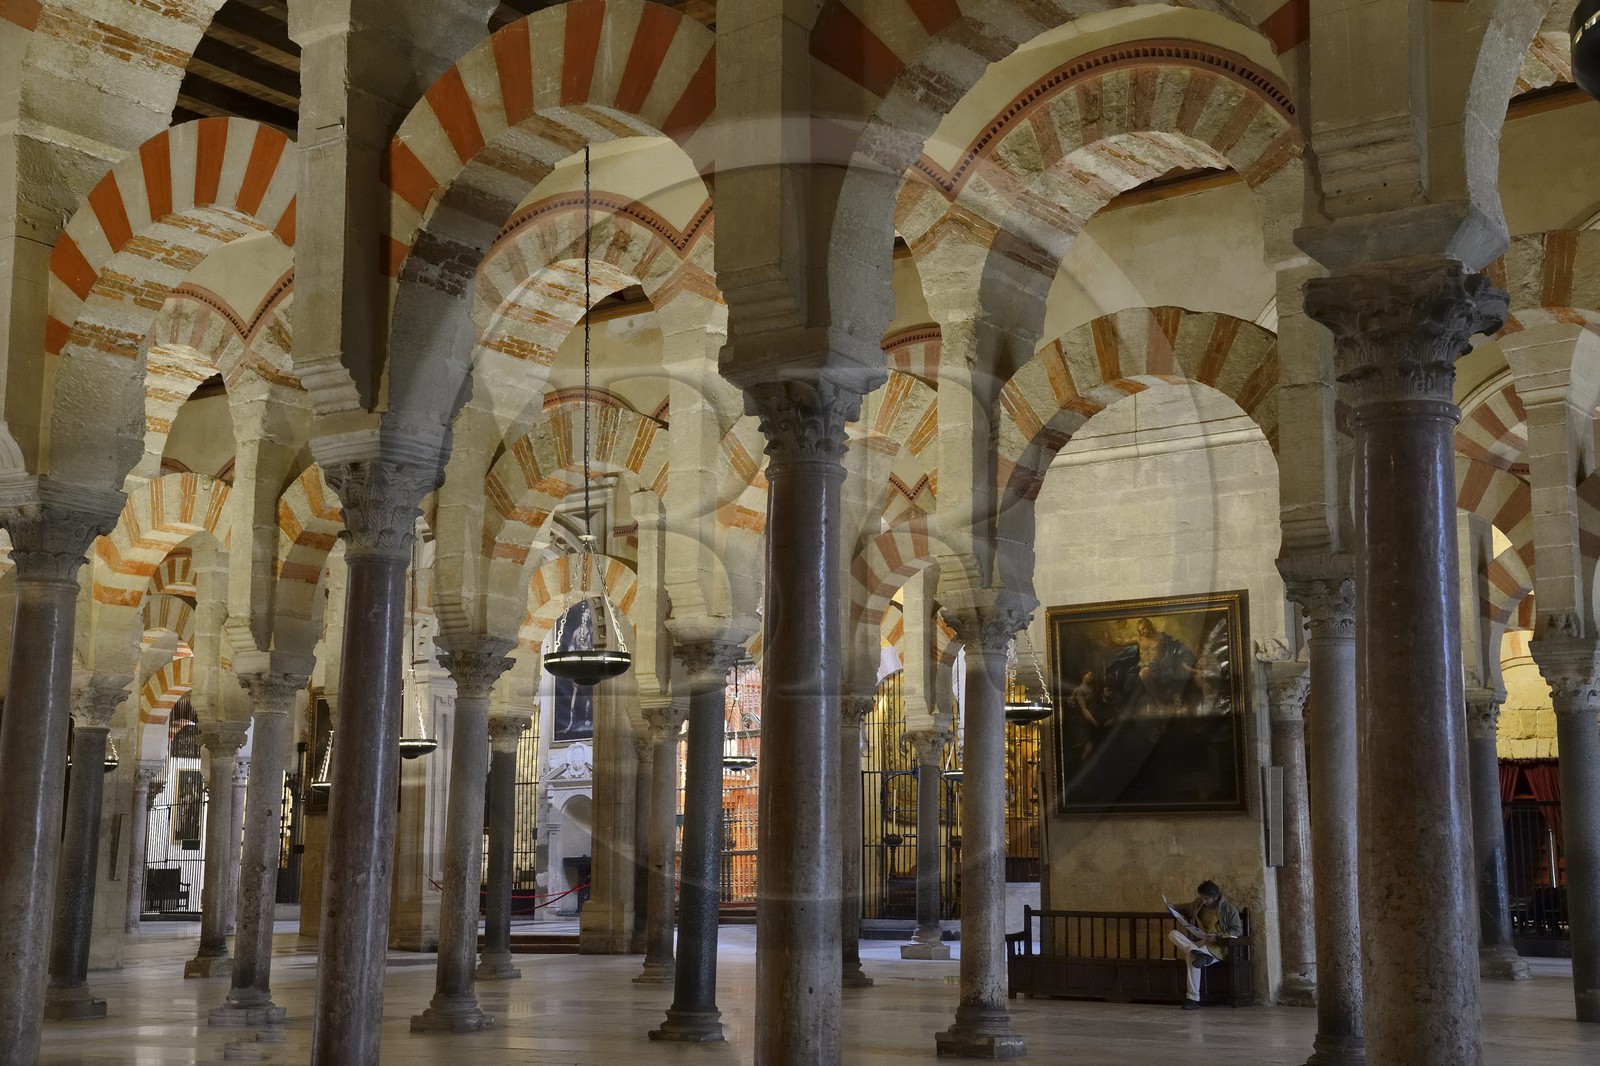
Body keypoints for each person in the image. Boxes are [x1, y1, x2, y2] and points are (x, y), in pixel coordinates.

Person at [1167, 880, 1243, 1008]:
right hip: (1199, 941)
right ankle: (1196, 952)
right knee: (1172, 934)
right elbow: (1186, 907)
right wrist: (1172, 907)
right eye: (1201, 897)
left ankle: (1193, 998)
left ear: (1215, 897)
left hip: (1217, 946)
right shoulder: (1198, 904)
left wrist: (1217, 937)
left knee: (1192, 958)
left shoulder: (1228, 909)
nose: (1203, 901)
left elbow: (1237, 930)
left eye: (1206, 898)